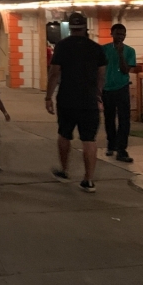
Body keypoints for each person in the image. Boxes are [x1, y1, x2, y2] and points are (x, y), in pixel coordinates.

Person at [45, 12, 107, 192]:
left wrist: (48, 97)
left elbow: (54, 72)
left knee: (64, 134)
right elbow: (101, 74)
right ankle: (88, 180)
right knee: (89, 139)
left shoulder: (62, 46)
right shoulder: (96, 48)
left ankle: (64, 171)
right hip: (89, 100)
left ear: (70, 27)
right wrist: (98, 93)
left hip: (67, 98)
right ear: (85, 27)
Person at [101, 23, 135, 163]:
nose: (120, 37)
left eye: (122, 34)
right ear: (112, 34)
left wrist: (121, 54)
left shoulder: (129, 51)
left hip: (122, 87)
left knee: (124, 119)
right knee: (109, 118)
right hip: (107, 88)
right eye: (117, 34)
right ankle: (111, 144)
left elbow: (126, 70)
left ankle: (122, 149)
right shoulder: (104, 50)